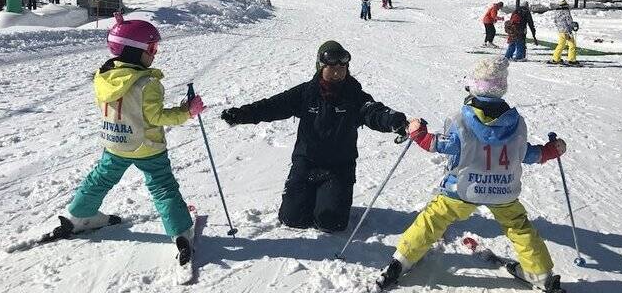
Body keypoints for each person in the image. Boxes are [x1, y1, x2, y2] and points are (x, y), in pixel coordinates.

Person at [375, 57, 567, 292]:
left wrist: (419, 134)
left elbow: (439, 144)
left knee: (433, 218)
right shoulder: (516, 124)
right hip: (503, 191)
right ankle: (541, 274)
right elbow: (526, 153)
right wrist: (549, 151)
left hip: (463, 189)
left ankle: (401, 261)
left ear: (473, 86)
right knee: (519, 227)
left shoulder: (462, 121)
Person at [60, 14, 206, 276]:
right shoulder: (147, 83)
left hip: (115, 142)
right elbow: (156, 117)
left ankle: (79, 214)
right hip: (147, 146)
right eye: (152, 48)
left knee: (100, 178)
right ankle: (181, 232)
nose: (155, 53)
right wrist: (188, 111)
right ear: (134, 51)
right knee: (162, 187)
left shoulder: (103, 76)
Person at [220, 41, 408, 232]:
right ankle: (314, 197)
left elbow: (373, 112)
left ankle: (331, 197)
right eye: (332, 68)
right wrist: (243, 114)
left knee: (330, 223)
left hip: (339, 167)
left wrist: (394, 120)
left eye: (342, 67)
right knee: (292, 218)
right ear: (320, 66)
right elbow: (273, 106)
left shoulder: (354, 95)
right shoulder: (306, 93)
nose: (337, 73)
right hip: (306, 163)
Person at [551, 0, 578, 65]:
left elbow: (555, 21)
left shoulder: (557, 12)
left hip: (560, 31)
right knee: (572, 45)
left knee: (561, 44)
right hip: (567, 31)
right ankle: (571, 59)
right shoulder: (566, 11)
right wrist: (573, 25)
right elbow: (569, 21)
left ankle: (556, 58)